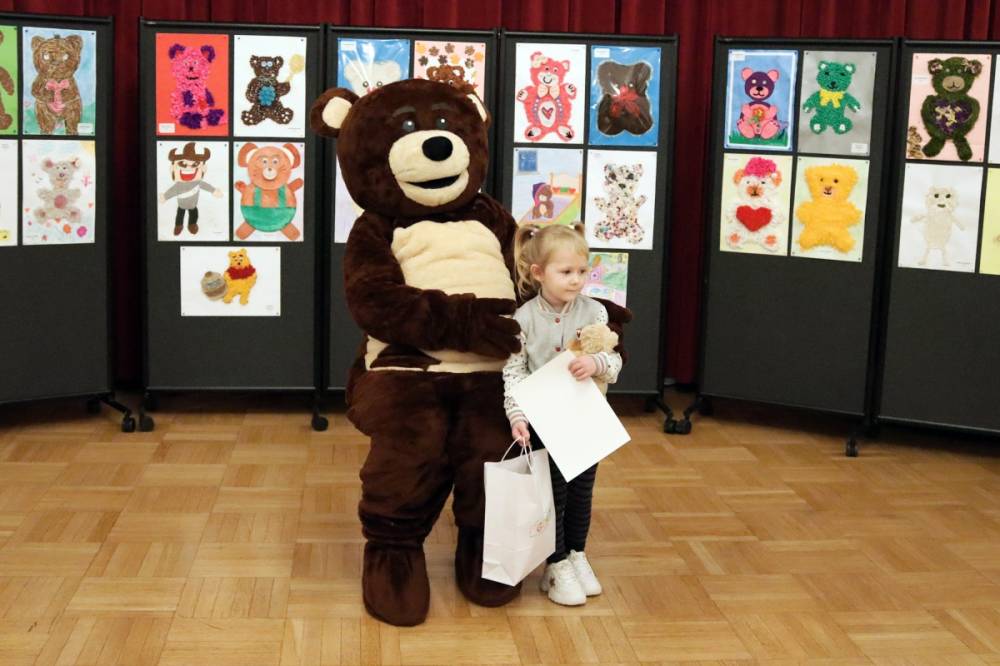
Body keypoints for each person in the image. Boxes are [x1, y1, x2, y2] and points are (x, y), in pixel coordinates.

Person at [502, 222, 622, 606]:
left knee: (582, 491)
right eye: (566, 271)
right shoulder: (523, 319)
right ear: (539, 273)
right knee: (552, 493)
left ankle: (576, 553)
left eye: (582, 271)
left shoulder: (594, 311)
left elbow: (613, 362)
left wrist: (596, 362)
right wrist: (517, 416)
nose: (576, 280)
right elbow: (513, 372)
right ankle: (554, 564)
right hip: (544, 421)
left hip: (584, 418)